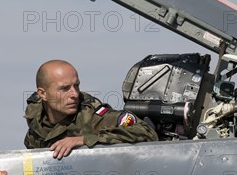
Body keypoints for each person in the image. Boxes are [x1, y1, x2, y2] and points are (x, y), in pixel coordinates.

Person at [24, 60, 158, 159]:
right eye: (64, 89)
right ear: (43, 94)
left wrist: (83, 140)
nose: (74, 94)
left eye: (76, 86)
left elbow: (146, 132)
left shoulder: (93, 116)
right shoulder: (36, 120)